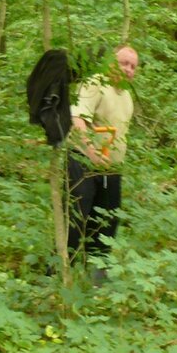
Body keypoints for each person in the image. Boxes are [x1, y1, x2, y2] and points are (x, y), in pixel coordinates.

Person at [68, 43, 138, 283]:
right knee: (76, 220)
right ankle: (58, 276)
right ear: (110, 61)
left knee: (107, 222)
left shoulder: (127, 95)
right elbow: (77, 118)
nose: (128, 69)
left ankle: (97, 282)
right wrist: (91, 152)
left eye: (133, 66)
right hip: (83, 163)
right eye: (123, 63)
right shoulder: (95, 83)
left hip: (112, 169)